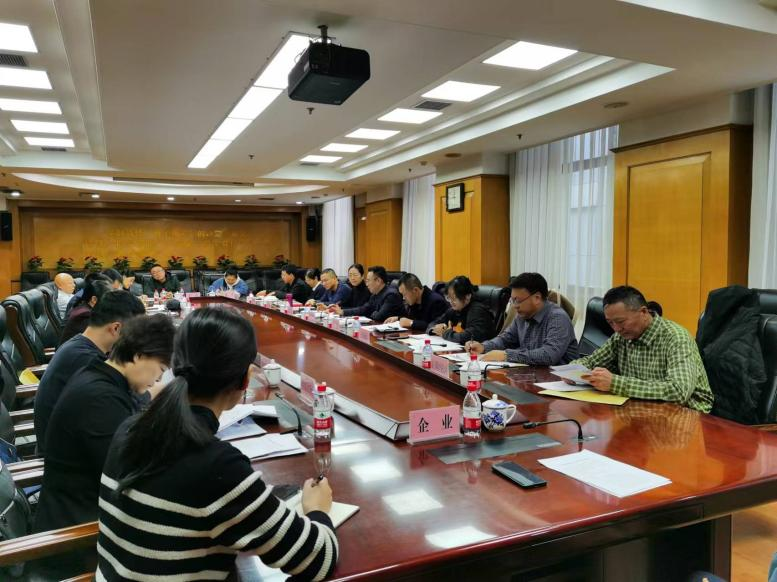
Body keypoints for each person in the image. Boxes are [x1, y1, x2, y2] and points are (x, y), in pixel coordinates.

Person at [96, 307, 338, 580]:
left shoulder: (131, 427)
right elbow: (318, 559)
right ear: (246, 378)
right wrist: (317, 509)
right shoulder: (215, 465)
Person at [33, 314, 175, 578]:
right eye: (161, 369)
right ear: (139, 356)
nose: (158, 379)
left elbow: (138, 405)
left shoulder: (102, 375)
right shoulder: (100, 400)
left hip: (84, 506)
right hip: (78, 533)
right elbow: (132, 476)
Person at [35, 290, 145, 455]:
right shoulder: (86, 359)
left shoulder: (80, 345)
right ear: (116, 328)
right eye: (136, 333)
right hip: (63, 455)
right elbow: (124, 402)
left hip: (70, 440)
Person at [572, 285, 714, 412]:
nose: (616, 328)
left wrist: (615, 383)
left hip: (687, 416)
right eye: (610, 323)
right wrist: (573, 373)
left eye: (621, 321)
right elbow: (591, 361)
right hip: (642, 410)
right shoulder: (620, 337)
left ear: (644, 312)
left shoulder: (676, 338)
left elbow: (678, 392)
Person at [466, 273, 579, 365]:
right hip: (532, 376)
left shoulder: (557, 318)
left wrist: (506, 355)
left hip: (559, 380)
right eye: (512, 300)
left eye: (517, 300)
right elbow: (505, 339)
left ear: (537, 298)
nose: (514, 306)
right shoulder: (522, 315)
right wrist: (483, 347)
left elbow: (549, 355)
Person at [428, 275, 495, 344]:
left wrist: (445, 333)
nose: (451, 302)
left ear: (467, 296)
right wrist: (436, 329)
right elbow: (432, 324)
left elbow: (467, 338)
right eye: (448, 298)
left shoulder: (478, 310)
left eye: (454, 298)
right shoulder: (454, 310)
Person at [330, 266, 403, 321]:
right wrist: (342, 312)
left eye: (368, 281)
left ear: (378, 281)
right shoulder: (375, 294)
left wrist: (371, 312)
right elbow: (364, 309)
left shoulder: (391, 295)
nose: (367, 284)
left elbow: (379, 317)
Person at [59, 276, 112, 346]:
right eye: (108, 300)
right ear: (94, 300)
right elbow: (100, 342)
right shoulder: (85, 316)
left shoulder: (83, 306)